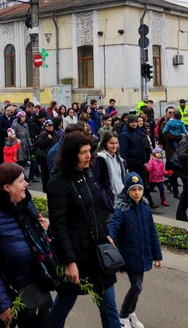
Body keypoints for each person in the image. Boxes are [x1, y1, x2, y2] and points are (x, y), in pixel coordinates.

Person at [46, 132, 121, 328]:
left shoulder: (88, 173)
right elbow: (58, 226)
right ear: (72, 154)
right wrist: (69, 262)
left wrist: (105, 234)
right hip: (76, 255)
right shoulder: (57, 183)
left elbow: (96, 209)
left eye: (90, 151)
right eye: (83, 152)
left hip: (97, 251)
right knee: (64, 303)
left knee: (109, 305)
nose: (89, 156)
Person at [0, 163, 57, 328]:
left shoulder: (26, 206)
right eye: (21, 181)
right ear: (6, 187)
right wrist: (2, 303)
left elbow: (39, 244)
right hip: (3, 295)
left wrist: (46, 230)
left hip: (32, 289)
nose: (26, 184)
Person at [108, 173, 163, 328]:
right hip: (130, 256)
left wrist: (157, 256)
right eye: (133, 190)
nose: (137, 193)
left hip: (143, 254)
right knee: (136, 286)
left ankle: (131, 313)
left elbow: (152, 232)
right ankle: (123, 316)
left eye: (139, 189)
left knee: (138, 288)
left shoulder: (145, 208)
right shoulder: (122, 209)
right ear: (127, 191)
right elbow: (113, 224)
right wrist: (109, 236)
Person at [119, 115, 155, 208]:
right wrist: (125, 166)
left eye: (135, 122)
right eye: (132, 122)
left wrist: (145, 161)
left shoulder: (138, 131)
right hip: (131, 163)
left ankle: (148, 202)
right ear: (128, 122)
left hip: (139, 161)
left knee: (143, 182)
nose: (134, 124)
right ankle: (132, 203)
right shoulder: (124, 134)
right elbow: (123, 151)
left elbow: (142, 147)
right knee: (133, 183)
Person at [92, 131, 126, 218]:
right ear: (105, 143)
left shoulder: (119, 158)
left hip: (120, 197)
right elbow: (96, 179)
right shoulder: (100, 158)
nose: (114, 146)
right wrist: (103, 195)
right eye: (111, 143)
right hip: (108, 198)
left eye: (116, 143)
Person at [34, 120, 59, 191]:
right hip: (44, 158)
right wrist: (48, 139)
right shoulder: (43, 133)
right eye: (49, 126)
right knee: (45, 174)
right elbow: (41, 144)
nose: (51, 127)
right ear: (45, 127)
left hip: (53, 156)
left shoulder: (55, 133)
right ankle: (46, 188)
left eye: (52, 126)